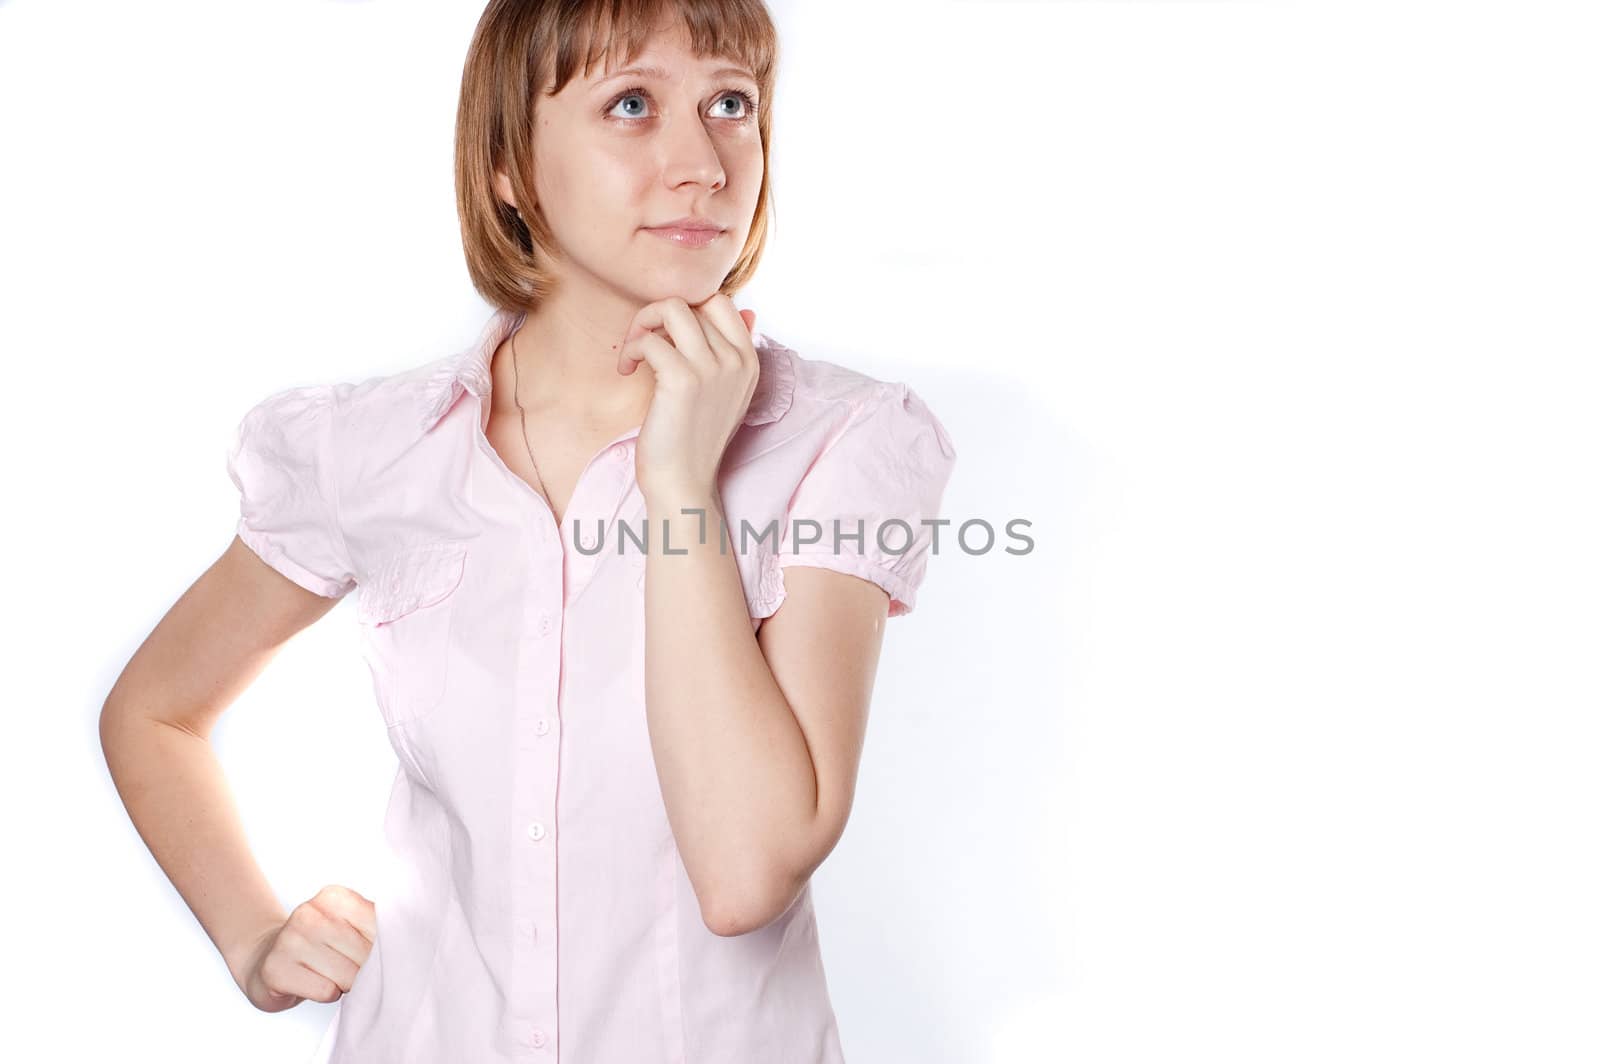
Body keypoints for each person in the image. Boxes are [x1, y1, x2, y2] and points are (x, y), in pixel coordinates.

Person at [99, 1, 957, 1061]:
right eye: (632, 104)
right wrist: (253, 938)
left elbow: (745, 870)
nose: (702, 164)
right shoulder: (371, 449)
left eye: (730, 102)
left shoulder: (840, 442)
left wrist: (681, 477)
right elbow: (155, 712)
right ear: (508, 161)